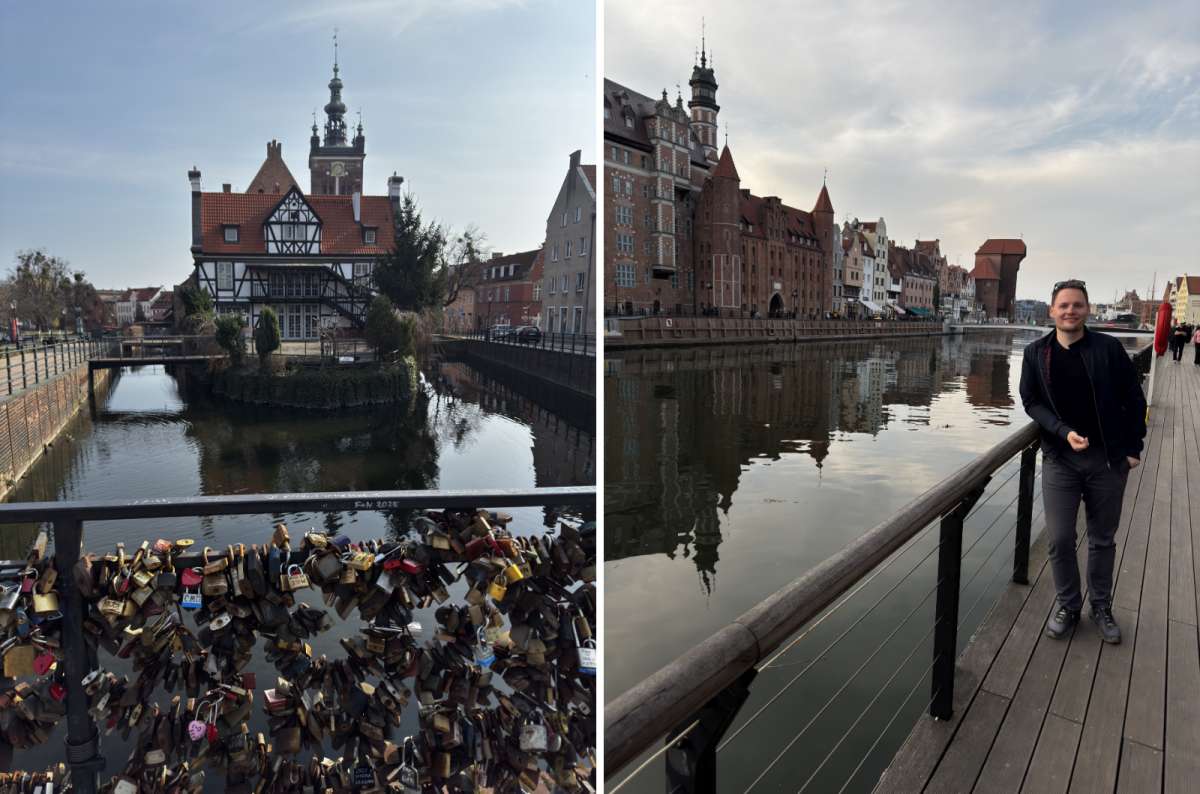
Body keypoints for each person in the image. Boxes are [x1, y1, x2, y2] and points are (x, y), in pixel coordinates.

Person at [1019, 279, 1146, 644]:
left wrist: (1134, 447)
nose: (1070, 311)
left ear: (1087, 310)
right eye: (1064, 305)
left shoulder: (1107, 349)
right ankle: (1069, 606)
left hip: (1108, 460)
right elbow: (1030, 401)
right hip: (1061, 459)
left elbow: (1134, 399)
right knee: (1059, 539)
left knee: (1102, 540)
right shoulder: (1035, 353)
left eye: (1077, 305)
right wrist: (1060, 430)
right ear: (1052, 311)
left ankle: (1101, 607)